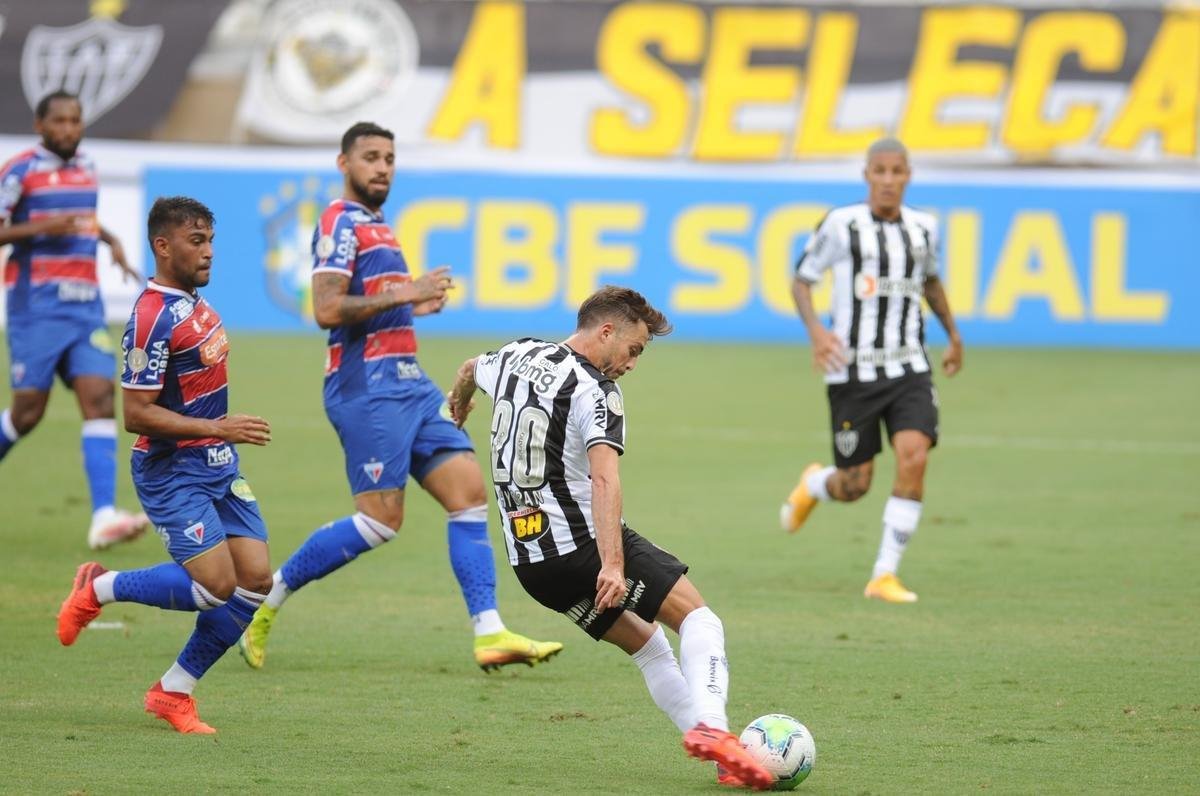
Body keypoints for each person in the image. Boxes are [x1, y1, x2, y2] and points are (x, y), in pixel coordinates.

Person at [238, 121, 561, 672]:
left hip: (410, 385)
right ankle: (265, 601)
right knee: (381, 522)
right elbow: (326, 308)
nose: (382, 166)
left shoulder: (377, 225)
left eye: (389, 157)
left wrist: (410, 305)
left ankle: (489, 632)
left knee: (469, 494)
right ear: (344, 164)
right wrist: (407, 292)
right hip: (367, 391)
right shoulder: (340, 220)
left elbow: (374, 302)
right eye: (370, 156)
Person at [445, 286, 774, 791]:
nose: (632, 364)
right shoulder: (595, 390)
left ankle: (725, 761)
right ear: (606, 331)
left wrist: (459, 404)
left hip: (532, 566)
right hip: (579, 545)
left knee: (649, 650)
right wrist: (613, 565)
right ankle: (711, 726)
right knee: (699, 618)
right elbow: (604, 479)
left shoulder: (515, 353)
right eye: (634, 349)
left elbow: (469, 368)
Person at [57, 196, 275, 734]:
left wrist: (219, 439)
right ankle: (99, 587)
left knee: (255, 582)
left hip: (217, 465)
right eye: (196, 241)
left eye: (210, 241)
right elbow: (135, 414)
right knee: (211, 587)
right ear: (163, 245)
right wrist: (218, 428)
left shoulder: (195, 304)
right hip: (171, 470)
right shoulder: (151, 317)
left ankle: (173, 691)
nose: (208, 252)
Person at [780, 137, 964, 603]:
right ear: (867, 176)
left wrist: (954, 335)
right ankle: (817, 484)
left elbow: (931, 281)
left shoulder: (924, 228)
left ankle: (884, 573)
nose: (887, 179)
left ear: (908, 176)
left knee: (914, 455)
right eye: (878, 171)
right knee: (855, 484)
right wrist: (819, 334)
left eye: (896, 171)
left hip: (909, 367)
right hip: (853, 372)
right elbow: (803, 281)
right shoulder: (842, 225)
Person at [0, 90, 146, 549]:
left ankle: (103, 516)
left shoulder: (86, 167)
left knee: (101, 398)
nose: (68, 128)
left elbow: (83, 220)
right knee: (27, 414)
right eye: (59, 121)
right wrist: (42, 228)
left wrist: (112, 239)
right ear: (40, 125)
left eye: (75, 120)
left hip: (85, 308)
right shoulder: (20, 170)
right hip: (36, 307)